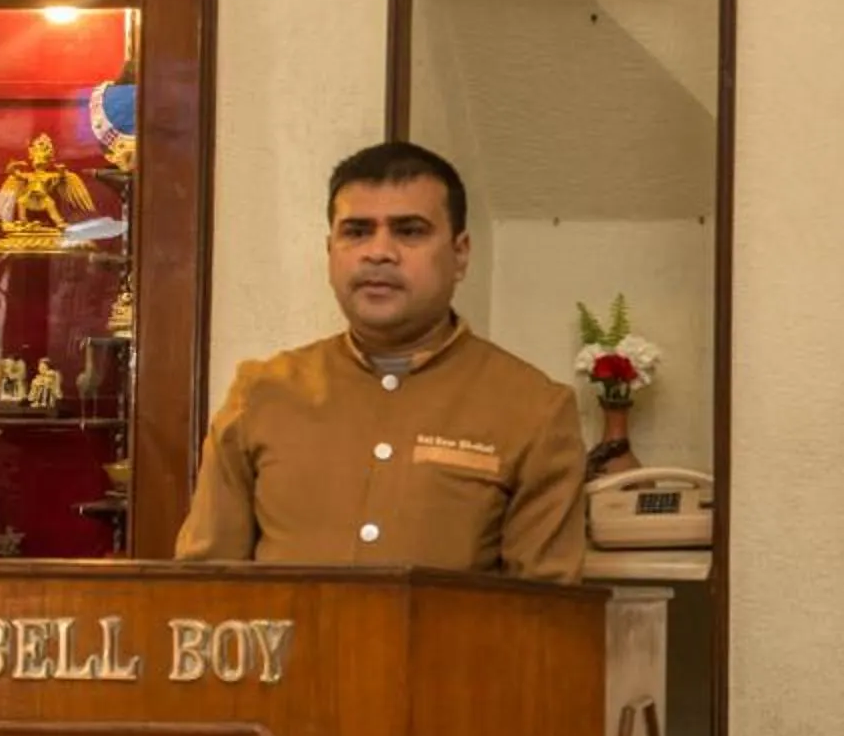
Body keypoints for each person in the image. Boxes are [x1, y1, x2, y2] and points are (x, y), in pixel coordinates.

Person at [173, 142, 587, 579]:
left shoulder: (533, 409)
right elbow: (203, 589)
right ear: (330, 250)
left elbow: (548, 611)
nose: (378, 252)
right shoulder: (262, 393)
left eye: (409, 231)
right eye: (356, 231)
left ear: (460, 253)